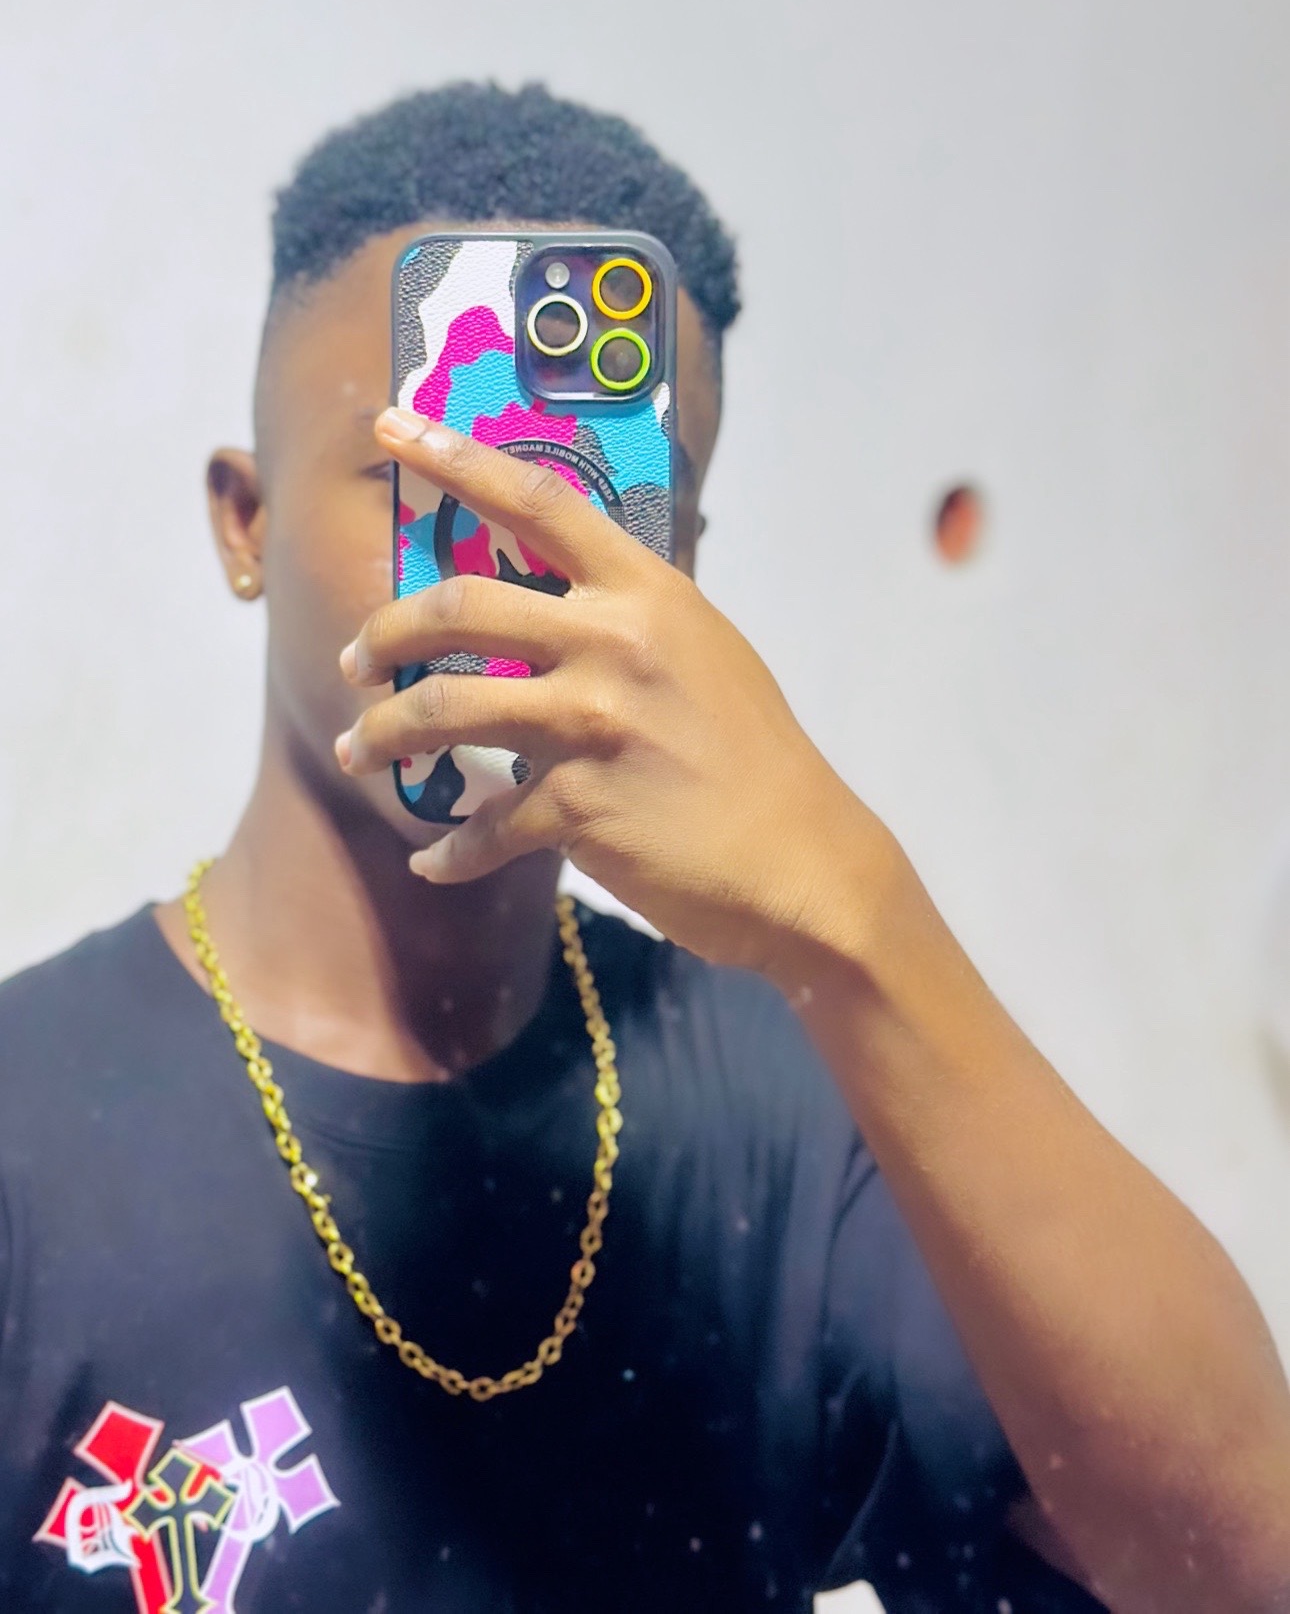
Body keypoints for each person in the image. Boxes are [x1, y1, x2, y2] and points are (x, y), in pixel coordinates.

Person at [1, 82, 1287, 1614]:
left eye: (595, 500)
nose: (504, 566)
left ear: (682, 571)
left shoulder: (795, 1102)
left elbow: (1238, 1569)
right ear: (245, 521)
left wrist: (849, 917)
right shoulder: (31, 1134)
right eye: (425, 478)